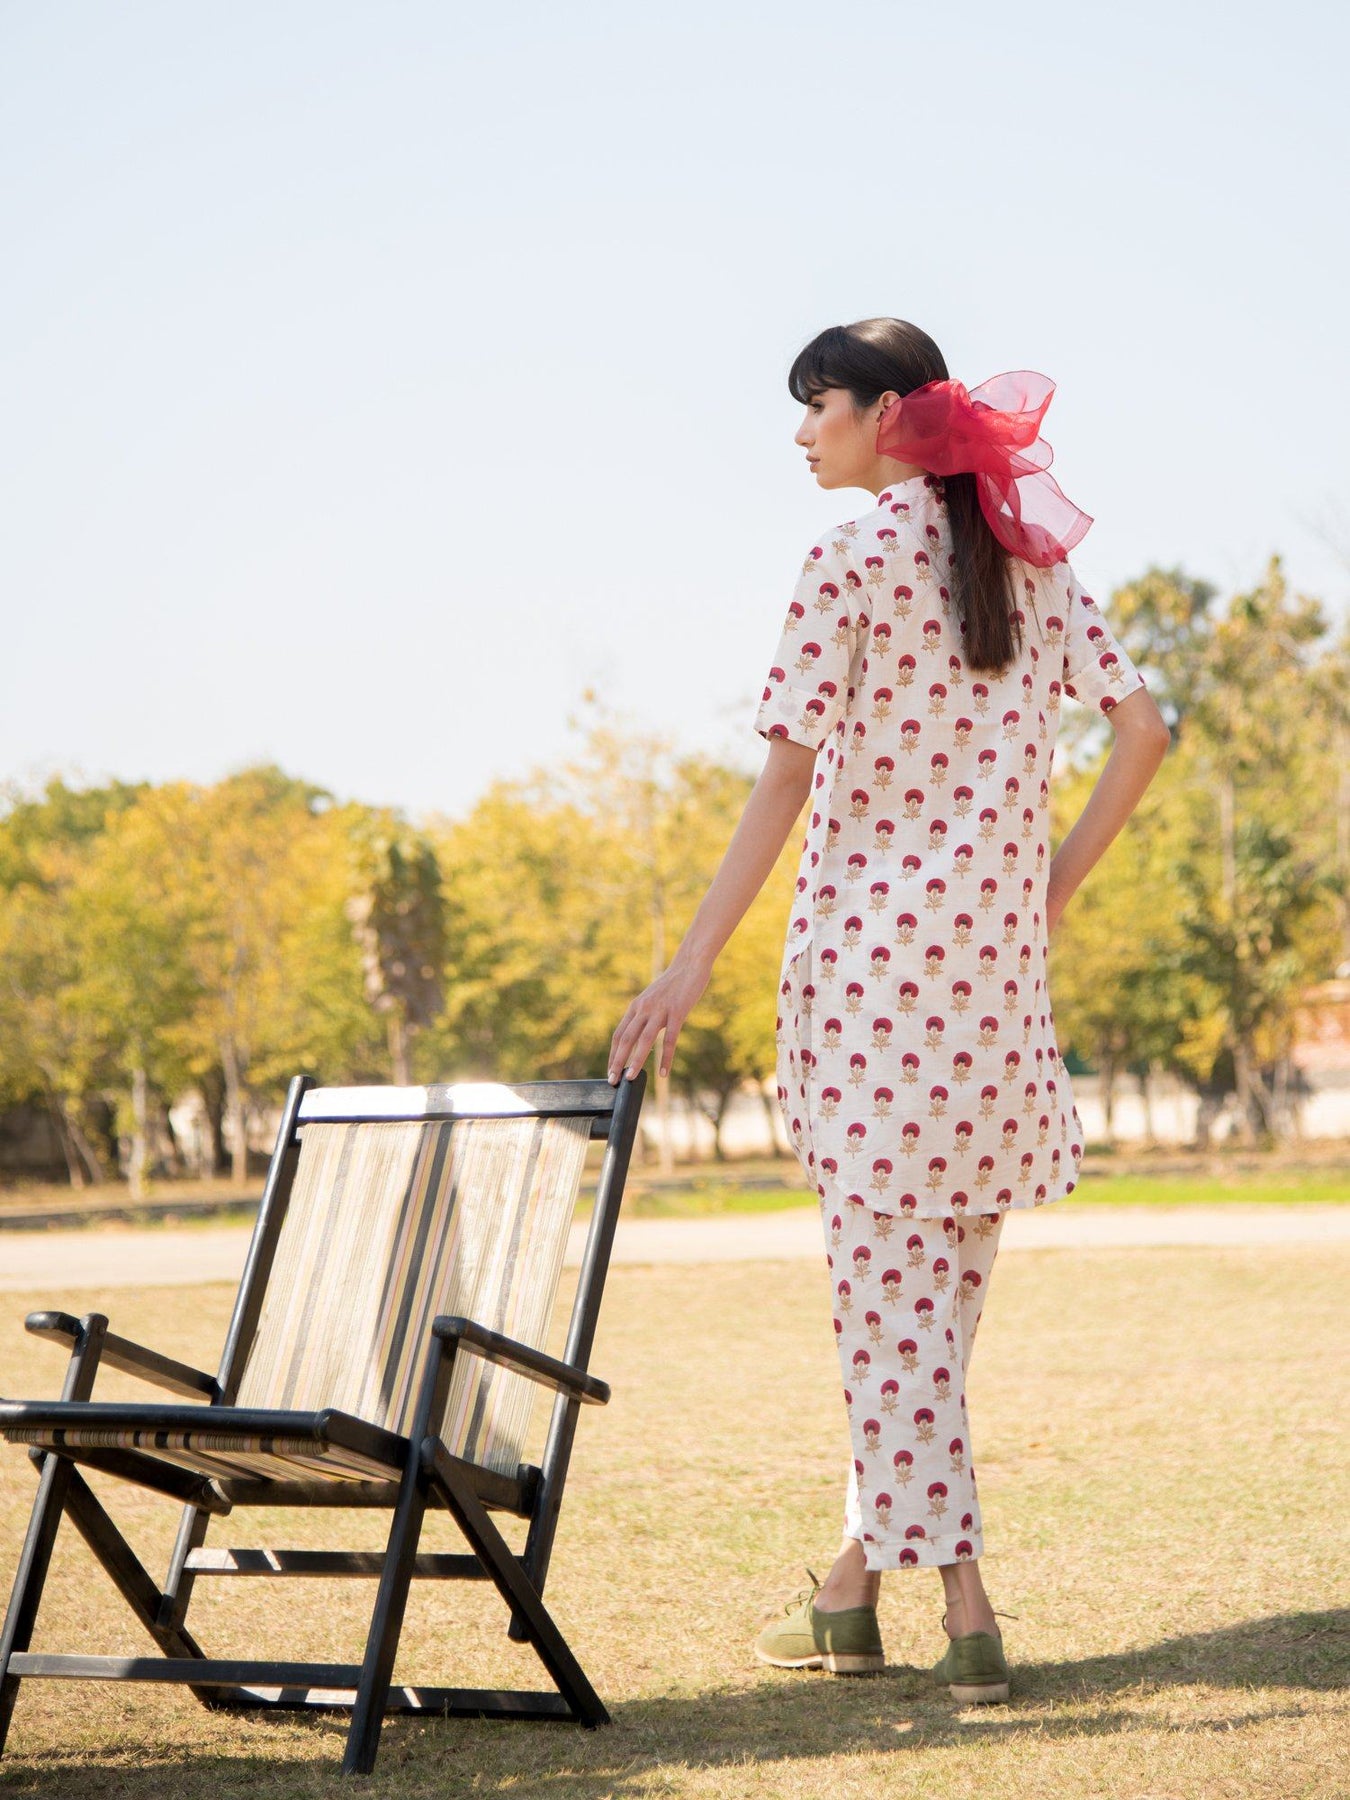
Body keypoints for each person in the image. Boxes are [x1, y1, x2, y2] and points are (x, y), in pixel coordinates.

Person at [606, 317, 1171, 1704]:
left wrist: (691, 961)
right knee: (930, 1319)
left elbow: (783, 780)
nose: (803, 433)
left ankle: (967, 1611)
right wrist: (1048, 889)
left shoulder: (846, 561)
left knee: (888, 1319)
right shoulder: (1032, 562)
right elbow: (1144, 730)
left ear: (887, 417)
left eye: (822, 405)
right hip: (992, 993)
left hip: (871, 991)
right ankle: (847, 1596)